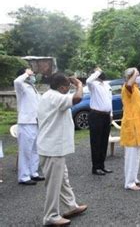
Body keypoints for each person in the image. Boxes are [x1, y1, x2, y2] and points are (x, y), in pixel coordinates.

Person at [37, 73, 87, 226]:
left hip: (54, 147)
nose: (69, 88)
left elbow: (70, 98)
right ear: (61, 87)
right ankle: (50, 216)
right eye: (67, 86)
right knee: (54, 183)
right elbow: (77, 98)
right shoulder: (55, 97)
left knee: (62, 180)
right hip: (52, 148)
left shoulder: (51, 95)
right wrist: (79, 85)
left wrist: (73, 86)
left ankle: (71, 206)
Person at [14, 68, 44, 185]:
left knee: (35, 150)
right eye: (31, 74)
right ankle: (24, 177)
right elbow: (16, 81)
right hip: (25, 123)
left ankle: (33, 173)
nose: (33, 75)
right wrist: (26, 73)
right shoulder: (21, 86)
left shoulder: (32, 87)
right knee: (25, 151)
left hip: (35, 122)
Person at [121, 68, 140, 191]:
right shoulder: (128, 87)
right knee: (131, 155)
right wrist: (135, 72)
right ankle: (129, 182)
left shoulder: (136, 88)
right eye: (136, 76)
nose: (138, 77)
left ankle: (134, 178)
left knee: (137, 154)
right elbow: (129, 84)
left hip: (138, 125)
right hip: (132, 126)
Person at [86, 68, 113, 176]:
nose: (102, 73)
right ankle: (95, 167)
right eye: (99, 73)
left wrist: (111, 114)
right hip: (96, 115)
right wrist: (97, 72)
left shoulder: (107, 85)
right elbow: (88, 81)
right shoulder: (93, 85)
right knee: (96, 142)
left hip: (106, 115)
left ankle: (102, 165)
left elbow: (109, 100)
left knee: (104, 141)